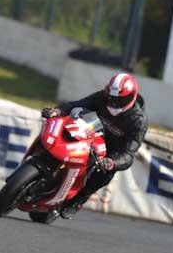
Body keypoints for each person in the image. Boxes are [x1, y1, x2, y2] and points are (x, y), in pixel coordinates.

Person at [42, 73, 148, 218]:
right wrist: (58, 111)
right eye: (111, 98)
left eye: (120, 99)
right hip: (90, 135)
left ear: (132, 96)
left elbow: (128, 154)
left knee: (105, 174)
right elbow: (76, 105)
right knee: (62, 131)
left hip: (111, 150)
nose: (114, 103)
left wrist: (112, 162)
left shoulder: (138, 121)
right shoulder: (102, 97)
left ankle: (77, 201)